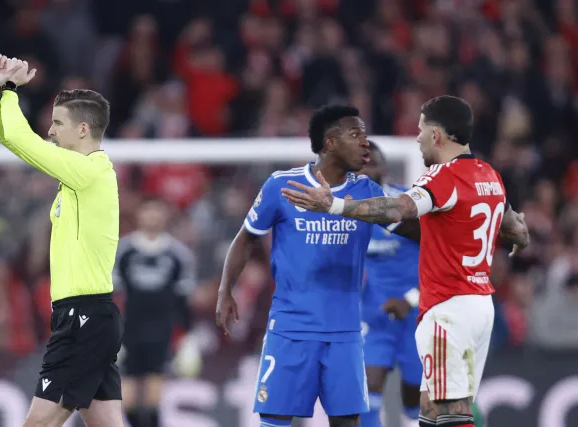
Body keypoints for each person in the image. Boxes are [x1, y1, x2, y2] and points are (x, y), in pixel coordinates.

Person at [281, 96, 530, 427]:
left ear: (436, 135)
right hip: (477, 304)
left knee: (450, 414)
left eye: (421, 129)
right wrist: (521, 236)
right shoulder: (489, 175)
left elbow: (398, 209)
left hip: (447, 307)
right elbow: (513, 226)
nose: (417, 138)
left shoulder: (442, 178)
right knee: (432, 410)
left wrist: (334, 206)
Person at [216, 105, 415, 427]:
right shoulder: (283, 185)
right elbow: (246, 237)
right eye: (355, 134)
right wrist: (226, 290)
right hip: (291, 328)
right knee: (275, 420)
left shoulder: (366, 191)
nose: (365, 142)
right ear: (330, 142)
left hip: (346, 333)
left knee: (348, 423)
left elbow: (413, 230)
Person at [0, 53, 124, 427]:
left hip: (83, 317)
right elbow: (9, 138)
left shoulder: (88, 172)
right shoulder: (81, 177)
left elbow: (20, 137)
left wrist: (8, 90)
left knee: (39, 423)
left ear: (82, 130)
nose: (50, 131)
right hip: (86, 316)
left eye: (57, 123)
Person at [113, 197, 199, 427]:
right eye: (148, 210)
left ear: (166, 216)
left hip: (161, 333)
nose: (153, 216)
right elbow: (111, 296)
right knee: (127, 401)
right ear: (139, 214)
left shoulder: (178, 254)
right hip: (129, 333)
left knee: (153, 401)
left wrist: (187, 337)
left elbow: (183, 299)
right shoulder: (122, 251)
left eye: (157, 211)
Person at [358, 140, 421, 427]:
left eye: (372, 163)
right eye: (360, 165)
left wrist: (410, 299)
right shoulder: (347, 212)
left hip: (417, 316)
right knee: (367, 392)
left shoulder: (408, 206)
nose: (365, 170)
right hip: (376, 318)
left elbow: (443, 263)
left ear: (385, 168)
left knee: (416, 405)